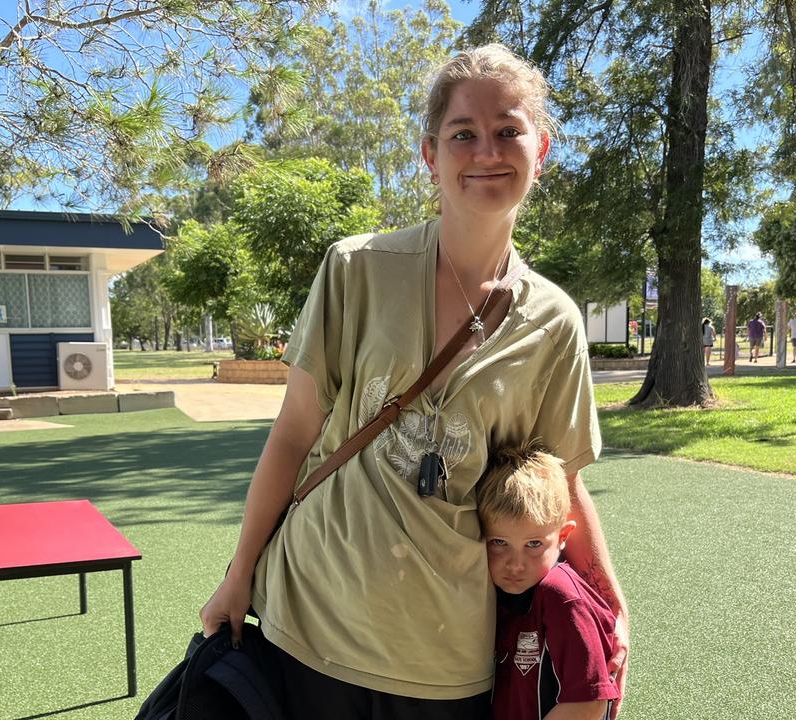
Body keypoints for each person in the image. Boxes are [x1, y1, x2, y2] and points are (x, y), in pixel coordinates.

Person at [199, 44, 628, 720]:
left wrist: (611, 602)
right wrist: (238, 572)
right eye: (463, 133)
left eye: (508, 130)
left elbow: (562, 480)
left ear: (539, 149)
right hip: (310, 618)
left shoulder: (555, 322)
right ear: (431, 153)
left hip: (448, 655)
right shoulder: (357, 269)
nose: (486, 149)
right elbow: (293, 435)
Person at [480, 446, 619, 720]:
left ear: (563, 535)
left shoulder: (562, 597)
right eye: (499, 543)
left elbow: (589, 703)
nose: (515, 564)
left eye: (534, 544)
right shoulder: (491, 592)